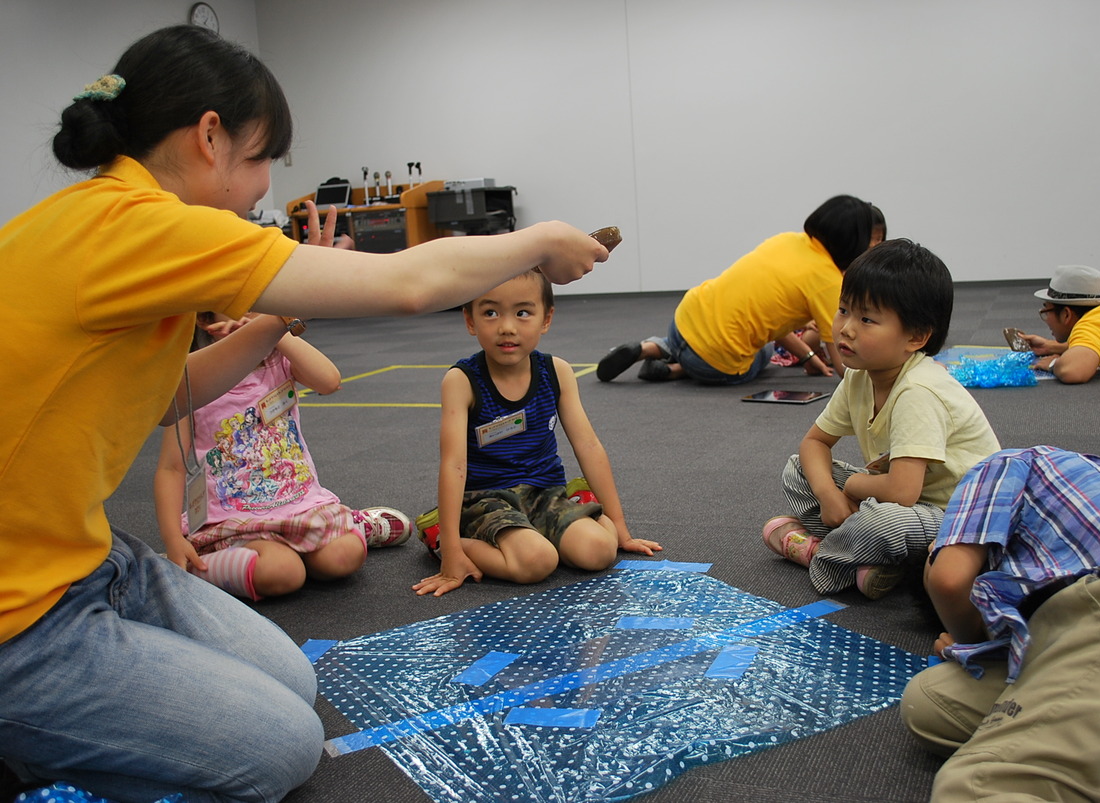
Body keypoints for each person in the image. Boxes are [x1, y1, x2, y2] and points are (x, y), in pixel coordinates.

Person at [0, 25, 606, 802]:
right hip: (20, 615)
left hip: (85, 559)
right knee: (281, 750)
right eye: (260, 159)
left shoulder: (101, 220)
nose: (261, 188)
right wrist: (541, 240)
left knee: (292, 678)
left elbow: (165, 398)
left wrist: (274, 319)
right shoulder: (141, 224)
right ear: (209, 137)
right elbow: (408, 284)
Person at [901, 446, 1100, 800]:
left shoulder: (1006, 463)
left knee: (977, 787)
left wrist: (969, 643)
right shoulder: (1098, 487)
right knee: (931, 701)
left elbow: (948, 581)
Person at [762, 239, 1000, 599]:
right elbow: (814, 443)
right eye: (843, 310)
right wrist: (828, 494)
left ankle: (818, 553)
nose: (846, 328)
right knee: (798, 469)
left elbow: (902, 493)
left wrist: (852, 488)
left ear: (915, 337)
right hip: (901, 497)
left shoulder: (919, 390)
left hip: (955, 516)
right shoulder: (859, 375)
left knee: (882, 522)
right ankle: (865, 558)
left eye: (867, 319)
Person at [413, 269, 662, 597]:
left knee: (600, 551)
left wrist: (620, 529)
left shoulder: (556, 372)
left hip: (545, 492)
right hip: (486, 499)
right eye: (491, 313)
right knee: (537, 562)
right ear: (470, 321)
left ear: (546, 319)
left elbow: (588, 446)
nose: (507, 327)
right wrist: (452, 554)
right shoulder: (462, 381)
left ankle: (574, 509)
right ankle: (442, 537)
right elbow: (454, 465)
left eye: (522, 313)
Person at [154, 313, 414, 601]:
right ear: (205, 320)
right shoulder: (194, 382)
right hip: (236, 518)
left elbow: (329, 381)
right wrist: (173, 539)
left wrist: (275, 330)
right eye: (239, 307)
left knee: (343, 558)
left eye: (259, 306)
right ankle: (184, 564)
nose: (251, 313)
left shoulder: (279, 361)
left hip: (299, 506)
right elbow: (171, 467)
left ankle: (352, 523)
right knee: (282, 573)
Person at [596, 196, 884, 384]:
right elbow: (841, 362)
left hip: (683, 319)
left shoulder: (787, 240)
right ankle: (674, 370)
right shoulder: (828, 281)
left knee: (734, 331)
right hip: (713, 362)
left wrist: (808, 356)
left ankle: (652, 348)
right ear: (854, 241)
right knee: (763, 351)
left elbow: (769, 319)